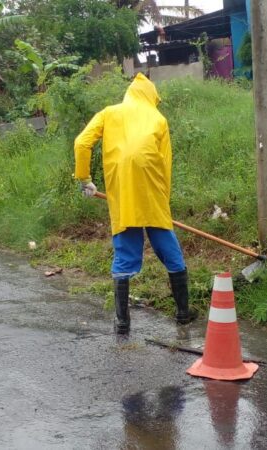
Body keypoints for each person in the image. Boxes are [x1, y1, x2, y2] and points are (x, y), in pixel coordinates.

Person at [73, 73, 196, 334]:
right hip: (152, 187)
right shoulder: (158, 118)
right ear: (150, 96)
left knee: (125, 248)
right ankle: (183, 313)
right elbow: (166, 164)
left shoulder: (109, 113)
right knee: (165, 241)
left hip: (122, 189)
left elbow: (82, 142)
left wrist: (85, 179)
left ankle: (122, 322)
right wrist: (163, 201)